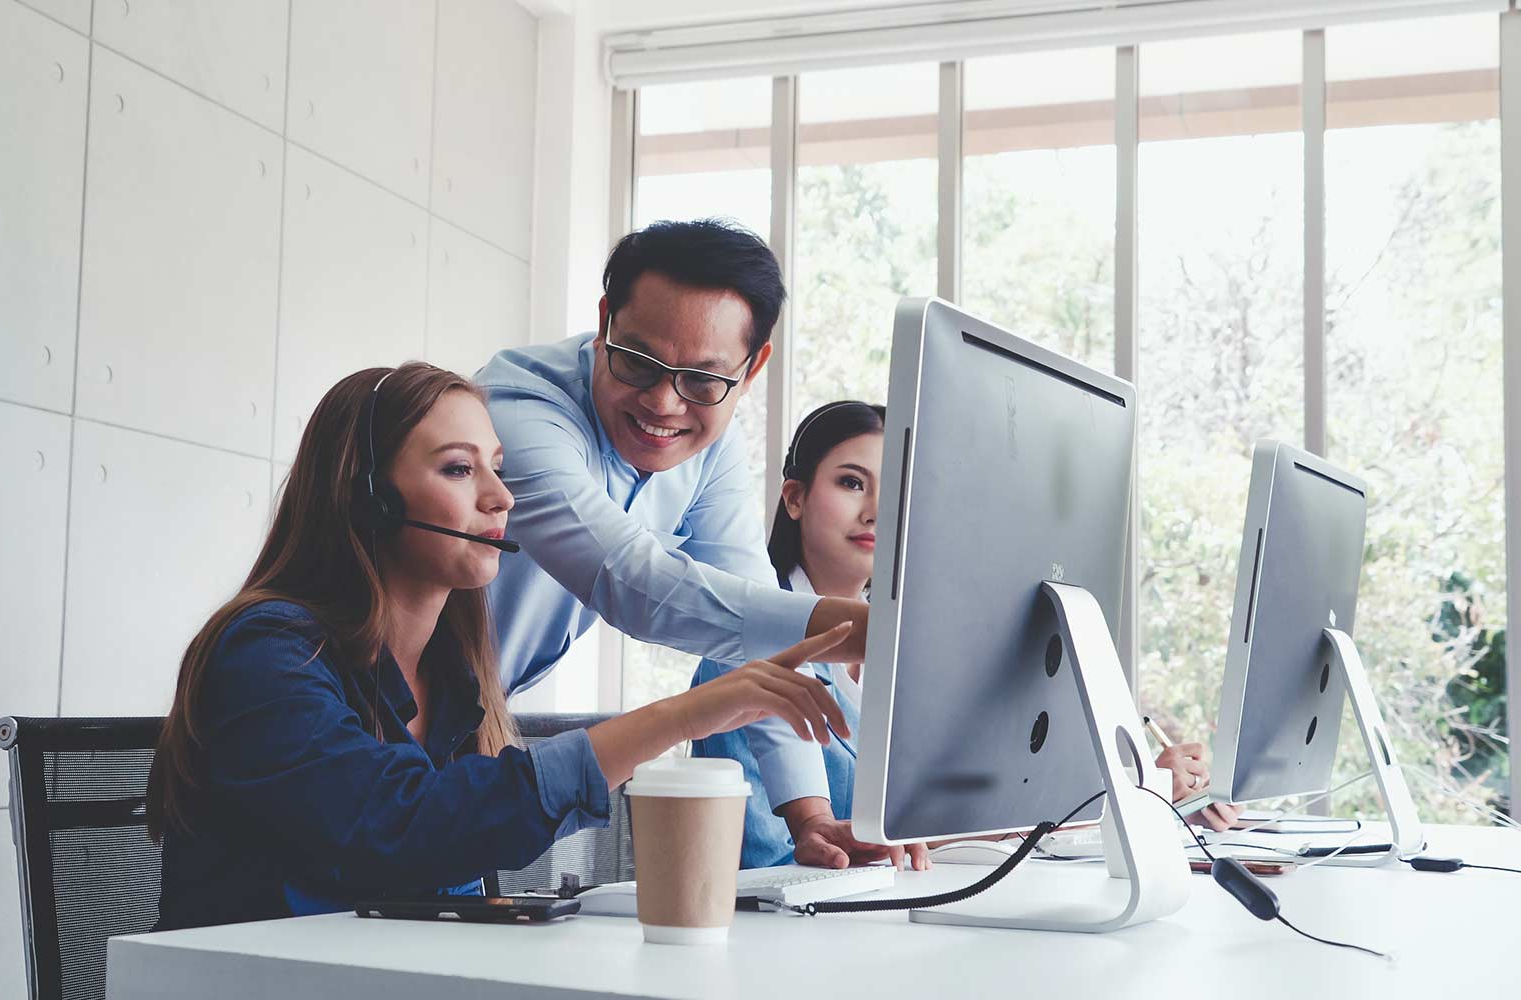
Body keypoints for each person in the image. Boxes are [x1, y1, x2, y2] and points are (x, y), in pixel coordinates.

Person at [145, 363, 854, 931]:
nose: (502, 498)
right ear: (368, 499)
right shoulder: (266, 653)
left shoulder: (455, 678)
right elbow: (403, 826)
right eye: (459, 470)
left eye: (497, 465)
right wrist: (681, 716)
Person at [476, 219, 906, 869]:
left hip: (468, 723)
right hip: (359, 709)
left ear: (753, 366)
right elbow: (629, 579)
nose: (664, 404)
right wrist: (856, 629)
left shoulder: (714, 448)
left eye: (702, 381)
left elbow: (752, 631)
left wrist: (811, 819)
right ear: (604, 322)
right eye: (638, 362)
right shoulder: (518, 408)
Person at [692, 401, 1241, 870]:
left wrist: (1151, 792)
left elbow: (964, 817)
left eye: (898, 492)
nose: (877, 511)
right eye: (851, 482)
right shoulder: (740, 659)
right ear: (794, 497)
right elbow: (765, 865)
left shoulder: (915, 661)